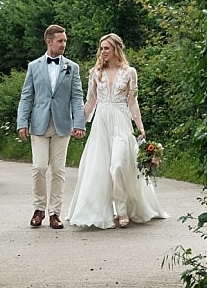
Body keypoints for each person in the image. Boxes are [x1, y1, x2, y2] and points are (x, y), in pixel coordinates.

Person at [66, 33, 167, 229]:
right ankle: (110, 211)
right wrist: (79, 123)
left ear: (116, 50)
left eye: (106, 48)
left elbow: (132, 101)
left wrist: (140, 126)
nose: (102, 51)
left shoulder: (130, 72)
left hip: (121, 122)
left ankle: (123, 209)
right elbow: (91, 101)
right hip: (101, 122)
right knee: (99, 169)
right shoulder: (95, 73)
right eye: (101, 48)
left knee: (119, 165)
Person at [17, 24, 85, 230]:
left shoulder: (72, 68)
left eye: (65, 41)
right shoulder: (34, 66)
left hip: (63, 125)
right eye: (60, 41)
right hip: (38, 124)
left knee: (58, 170)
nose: (64, 44)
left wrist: (79, 123)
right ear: (49, 42)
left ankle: (55, 213)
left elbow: (77, 97)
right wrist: (22, 122)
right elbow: (27, 96)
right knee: (38, 167)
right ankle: (39, 209)